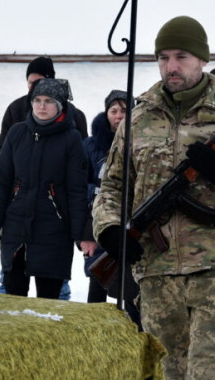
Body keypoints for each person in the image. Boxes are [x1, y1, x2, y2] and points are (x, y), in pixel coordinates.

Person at [92, 15, 215, 380]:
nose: (171, 66)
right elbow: (112, 187)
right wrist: (109, 229)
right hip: (156, 271)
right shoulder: (138, 118)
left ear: (202, 59)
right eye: (163, 57)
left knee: (210, 372)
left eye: (181, 56)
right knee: (166, 371)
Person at [0, 78, 88, 299]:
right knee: (13, 297)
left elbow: (76, 190)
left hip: (54, 229)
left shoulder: (71, 139)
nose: (42, 106)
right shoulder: (17, 133)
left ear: (59, 105)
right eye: (37, 100)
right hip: (16, 227)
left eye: (48, 101)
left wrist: (80, 233)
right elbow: (2, 182)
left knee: (48, 302)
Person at [80, 89, 141, 329]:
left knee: (132, 289)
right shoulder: (91, 146)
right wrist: (87, 234)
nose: (118, 116)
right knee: (98, 280)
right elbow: (80, 189)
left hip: (134, 225)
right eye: (113, 111)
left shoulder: (142, 143)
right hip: (99, 224)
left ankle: (136, 336)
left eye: (124, 110)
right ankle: (94, 336)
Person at [0, 56, 88, 152]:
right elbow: (3, 150)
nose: (34, 87)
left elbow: (84, 154)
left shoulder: (73, 114)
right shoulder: (15, 110)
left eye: (39, 82)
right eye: (31, 82)